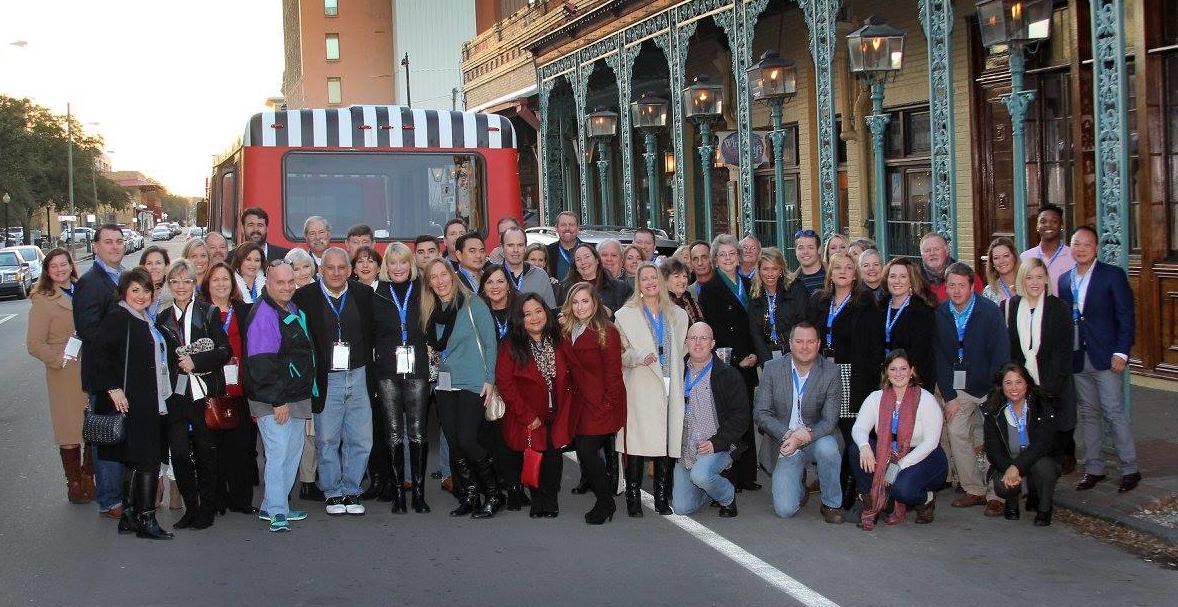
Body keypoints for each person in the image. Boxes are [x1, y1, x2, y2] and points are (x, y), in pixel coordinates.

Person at [92, 268, 174, 539]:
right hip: (134, 401)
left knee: (135, 461)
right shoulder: (120, 316)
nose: (141, 295)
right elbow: (99, 355)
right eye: (135, 290)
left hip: (148, 399)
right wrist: (112, 388)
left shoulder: (143, 318)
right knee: (148, 460)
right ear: (124, 292)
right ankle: (146, 519)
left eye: (146, 290)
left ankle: (128, 516)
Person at [293, 247, 375, 516]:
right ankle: (332, 492)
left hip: (359, 373)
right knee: (327, 438)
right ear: (320, 270)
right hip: (326, 377)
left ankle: (352, 490)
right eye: (330, 268)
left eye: (342, 268)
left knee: (361, 438)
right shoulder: (304, 297)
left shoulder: (363, 294)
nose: (336, 273)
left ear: (350, 271)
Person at [1059, 226, 1139, 493]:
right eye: (1076, 244)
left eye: (1086, 244)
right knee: (1089, 414)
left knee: (1113, 411)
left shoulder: (1112, 275)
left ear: (1096, 248)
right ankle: (1094, 468)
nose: (1080, 249)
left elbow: (1126, 315)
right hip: (1078, 357)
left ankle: (1130, 468)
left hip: (1107, 356)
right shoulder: (1063, 280)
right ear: (1070, 247)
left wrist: (1122, 351)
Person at [420, 258, 502, 518]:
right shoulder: (431, 311)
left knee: (467, 439)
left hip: (474, 381)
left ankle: (493, 493)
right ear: (429, 283)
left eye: (443, 274)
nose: (440, 281)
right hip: (445, 384)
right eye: (433, 277)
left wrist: (490, 379)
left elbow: (490, 342)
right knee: (454, 442)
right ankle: (470, 495)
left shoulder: (472, 304)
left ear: (452, 275)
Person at [156, 259, 232, 530]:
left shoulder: (208, 312)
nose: (180, 287)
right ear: (169, 285)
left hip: (203, 394)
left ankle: (207, 509)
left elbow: (225, 351)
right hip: (175, 396)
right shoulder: (162, 318)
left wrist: (196, 363)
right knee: (178, 453)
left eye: (186, 281)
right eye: (174, 281)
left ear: (193, 284)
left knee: (205, 452)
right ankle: (191, 506)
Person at [244, 260, 316, 532]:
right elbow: (262, 364)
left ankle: (276, 506)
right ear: (268, 283)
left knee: (292, 452)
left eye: (290, 282)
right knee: (278, 452)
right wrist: (277, 401)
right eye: (280, 283)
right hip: (275, 399)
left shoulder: (290, 307)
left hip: (295, 393)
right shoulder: (264, 313)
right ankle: (276, 511)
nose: (287, 287)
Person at [808, 252, 885, 507]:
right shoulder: (819, 301)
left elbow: (874, 350)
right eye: (837, 267)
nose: (842, 271)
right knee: (826, 430)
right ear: (830, 272)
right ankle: (830, 484)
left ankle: (850, 486)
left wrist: (869, 383)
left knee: (849, 433)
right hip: (823, 373)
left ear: (855, 274)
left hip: (853, 376)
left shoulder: (865, 304)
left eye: (848, 268)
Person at [934, 262, 1010, 516]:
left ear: (971, 286)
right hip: (960, 388)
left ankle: (995, 493)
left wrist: (996, 393)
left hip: (990, 386)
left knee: (993, 437)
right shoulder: (941, 313)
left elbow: (1001, 354)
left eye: (961, 285)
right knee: (956, 432)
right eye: (951, 285)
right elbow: (940, 358)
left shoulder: (989, 312)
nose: (956, 290)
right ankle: (974, 489)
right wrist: (949, 396)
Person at [615, 263, 689, 517]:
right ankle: (633, 497)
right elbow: (619, 354)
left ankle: (661, 497)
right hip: (641, 385)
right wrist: (638, 356)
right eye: (644, 278)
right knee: (638, 443)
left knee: (666, 441)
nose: (649, 282)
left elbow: (683, 350)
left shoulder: (679, 315)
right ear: (638, 283)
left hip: (671, 385)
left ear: (661, 280)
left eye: (653, 277)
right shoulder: (624, 315)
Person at [754, 322, 844, 522]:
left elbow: (830, 420)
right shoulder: (772, 368)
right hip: (784, 442)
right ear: (791, 344)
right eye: (799, 341)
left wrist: (805, 436)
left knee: (828, 448)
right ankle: (799, 487)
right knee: (785, 510)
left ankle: (831, 503)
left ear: (819, 344)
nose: (805, 347)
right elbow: (761, 413)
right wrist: (789, 436)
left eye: (810, 341)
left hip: (817, 438)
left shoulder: (831, 372)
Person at [849, 350, 947, 530]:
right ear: (886, 372)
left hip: (924, 457)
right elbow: (859, 428)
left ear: (912, 371)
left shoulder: (926, 400)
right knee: (856, 450)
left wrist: (900, 465)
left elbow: (931, 442)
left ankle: (926, 499)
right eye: (893, 369)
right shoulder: (875, 398)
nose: (898, 373)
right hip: (888, 452)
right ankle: (870, 500)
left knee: (902, 489)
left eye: (903, 368)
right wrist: (865, 447)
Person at [495, 293, 574, 518]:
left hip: (558, 410)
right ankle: (538, 499)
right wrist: (526, 415)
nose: (534, 317)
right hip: (529, 413)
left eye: (538, 311)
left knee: (554, 456)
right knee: (535, 454)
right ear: (520, 319)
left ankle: (552, 498)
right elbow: (505, 383)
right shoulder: (511, 345)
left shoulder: (559, 338)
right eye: (527, 314)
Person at [26, 248, 92, 503]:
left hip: (90, 367)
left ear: (71, 265)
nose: (60, 269)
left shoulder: (81, 289)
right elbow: (34, 343)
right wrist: (59, 359)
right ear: (47, 271)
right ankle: (74, 483)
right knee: (69, 429)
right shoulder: (44, 300)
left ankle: (89, 476)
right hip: (64, 372)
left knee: (92, 426)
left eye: (63, 264)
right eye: (54, 266)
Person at [697, 234, 760, 492]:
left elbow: (756, 323)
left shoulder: (748, 283)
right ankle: (730, 474)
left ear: (739, 256)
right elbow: (715, 328)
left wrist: (756, 353)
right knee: (728, 416)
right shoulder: (710, 288)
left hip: (750, 355)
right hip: (727, 360)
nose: (727, 259)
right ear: (715, 259)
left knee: (746, 413)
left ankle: (747, 475)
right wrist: (736, 358)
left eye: (731, 254)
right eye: (722, 255)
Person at [372, 243, 432, 513]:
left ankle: (418, 493)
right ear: (387, 265)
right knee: (394, 432)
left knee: (418, 431)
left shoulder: (423, 289)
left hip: (416, 368)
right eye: (393, 263)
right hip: (387, 370)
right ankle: (398, 494)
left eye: (403, 262)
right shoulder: (376, 292)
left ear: (411, 264)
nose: (398, 268)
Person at [73, 224, 128, 519]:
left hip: (126, 373)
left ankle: (121, 494)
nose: (115, 247)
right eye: (108, 242)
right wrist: (109, 380)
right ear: (95, 247)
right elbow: (90, 334)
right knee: (107, 437)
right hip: (106, 376)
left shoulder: (121, 279)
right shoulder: (90, 283)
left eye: (119, 241)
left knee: (122, 436)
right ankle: (109, 500)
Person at [560, 282, 626, 524]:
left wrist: (609, 404)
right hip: (579, 404)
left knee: (587, 452)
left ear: (595, 303)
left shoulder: (606, 330)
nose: (579, 307)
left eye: (584, 301)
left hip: (601, 403)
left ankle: (605, 502)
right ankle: (604, 500)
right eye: (575, 302)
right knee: (586, 453)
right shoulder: (569, 329)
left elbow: (613, 373)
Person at [1004, 257, 1076, 475]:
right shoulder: (1012, 306)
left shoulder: (1059, 308)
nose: (1034, 282)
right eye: (1029, 277)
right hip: (1023, 385)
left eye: (1039, 277)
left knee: (1052, 440)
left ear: (1046, 279)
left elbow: (1063, 353)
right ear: (1021, 280)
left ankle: (1046, 488)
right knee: (1029, 439)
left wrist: (1047, 391)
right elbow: (1013, 349)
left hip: (1054, 384)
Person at [199, 262, 258, 515]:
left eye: (226, 279)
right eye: (216, 280)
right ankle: (217, 500)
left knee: (243, 447)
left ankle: (241, 499)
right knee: (214, 447)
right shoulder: (201, 313)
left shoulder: (245, 311)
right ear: (207, 285)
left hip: (241, 387)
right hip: (212, 388)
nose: (221, 284)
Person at [672, 322, 748, 517]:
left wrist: (717, 442)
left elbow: (741, 417)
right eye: (693, 338)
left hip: (717, 447)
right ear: (686, 342)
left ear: (713, 343)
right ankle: (709, 491)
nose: (698, 343)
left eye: (704, 338)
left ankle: (727, 496)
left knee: (701, 476)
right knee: (681, 508)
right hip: (686, 449)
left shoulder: (728, 375)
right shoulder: (677, 373)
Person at [983, 363, 1060, 526]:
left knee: (1044, 467)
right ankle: (1011, 503)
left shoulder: (1041, 404)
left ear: (1027, 383)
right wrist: (1010, 468)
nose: (1014, 388)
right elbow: (993, 451)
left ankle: (1044, 509)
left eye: (1019, 382)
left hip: (1035, 459)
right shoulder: (994, 410)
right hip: (1008, 461)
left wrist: (1016, 467)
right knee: (1002, 485)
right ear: (1001, 385)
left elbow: (1042, 444)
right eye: (1008, 383)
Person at [478, 265, 529, 510]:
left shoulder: (521, 310)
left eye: (500, 281)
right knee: (494, 437)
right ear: (484, 287)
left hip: (517, 381)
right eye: (490, 282)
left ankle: (517, 486)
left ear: (508, 285)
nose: (495, 287)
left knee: (515, 436)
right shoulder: (478, 310)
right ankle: (501, 485)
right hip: (488, 382)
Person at [749, 247, 808, 362]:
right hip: (767, 353)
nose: (770, 274)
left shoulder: (796, 288)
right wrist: (767, 361)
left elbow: (803, 322)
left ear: (781, 269)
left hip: (795, 352)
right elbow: (755, 333)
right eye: (765, 269)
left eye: (774, 269)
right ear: (759, 270)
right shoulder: (755, 294)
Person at [559, 243, 632, 317]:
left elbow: (628, 316)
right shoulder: (566, 288)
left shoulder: (620, 287)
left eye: (587, 257)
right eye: (578, 259)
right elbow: (561, 313)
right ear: (575, 267)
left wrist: (611, 314)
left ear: (597, 260)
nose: (583, 262)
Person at [1020, 204, 1074, 289]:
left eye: (1054, 221)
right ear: (1037, 226)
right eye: (1043, 221)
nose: (1048, 225)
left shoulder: (1073, 256)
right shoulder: (1025, 257)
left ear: (1062, 225)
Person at [501, 226, 556, 308]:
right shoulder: (493, 275)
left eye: (520, 245)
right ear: (502, 246)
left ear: (525, 247)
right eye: (510, 245)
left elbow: (551, 311)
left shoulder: (541, 276)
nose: (515, 250)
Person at [920, 232, 982, 302]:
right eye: (927, 251)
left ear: (947, 251)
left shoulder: (968, 277)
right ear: (922, 255)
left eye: (936, 249)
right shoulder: (914, 281)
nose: (932, 253)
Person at [662, 258, 705, 327]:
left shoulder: (691, 302)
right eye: (677, 276)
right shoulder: (661, 303)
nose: (683, 280)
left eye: (685, 276)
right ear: (665, 280)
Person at [982, 236, 1021, 303]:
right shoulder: (989, 292)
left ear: (1014, 257)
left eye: (1006, 256)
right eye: (996, 258)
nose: (1001, 261)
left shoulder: (1027, 283)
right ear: (992, 263)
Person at [547, 211, 582, 281]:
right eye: (563, 225)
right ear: (556, 228)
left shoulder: (590, 250)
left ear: (578, 228)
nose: (567, 228)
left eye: (571, 225)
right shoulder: (548, 251)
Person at [794, 229, 825, 295]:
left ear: (819, 250)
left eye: (810, 247)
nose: (805, 252)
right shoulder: (791, 283)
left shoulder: (832, 277)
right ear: (796, 251)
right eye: (801, 248)